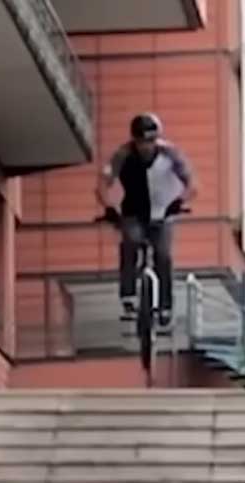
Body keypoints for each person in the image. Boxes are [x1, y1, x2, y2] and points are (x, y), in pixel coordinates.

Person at [97, 112, 197, 337]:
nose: (146, 147)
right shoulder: (122, 155)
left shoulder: (171, 154)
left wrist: (180, 201)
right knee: (130, 241)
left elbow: (192, 184)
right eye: (141, 142)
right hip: (134, 213)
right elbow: (102, 184)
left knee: (163, 255)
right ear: (134, 140)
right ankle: (129, 295)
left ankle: (165, 306)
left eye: (150, 141)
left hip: (164, 212)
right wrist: (109, 207)